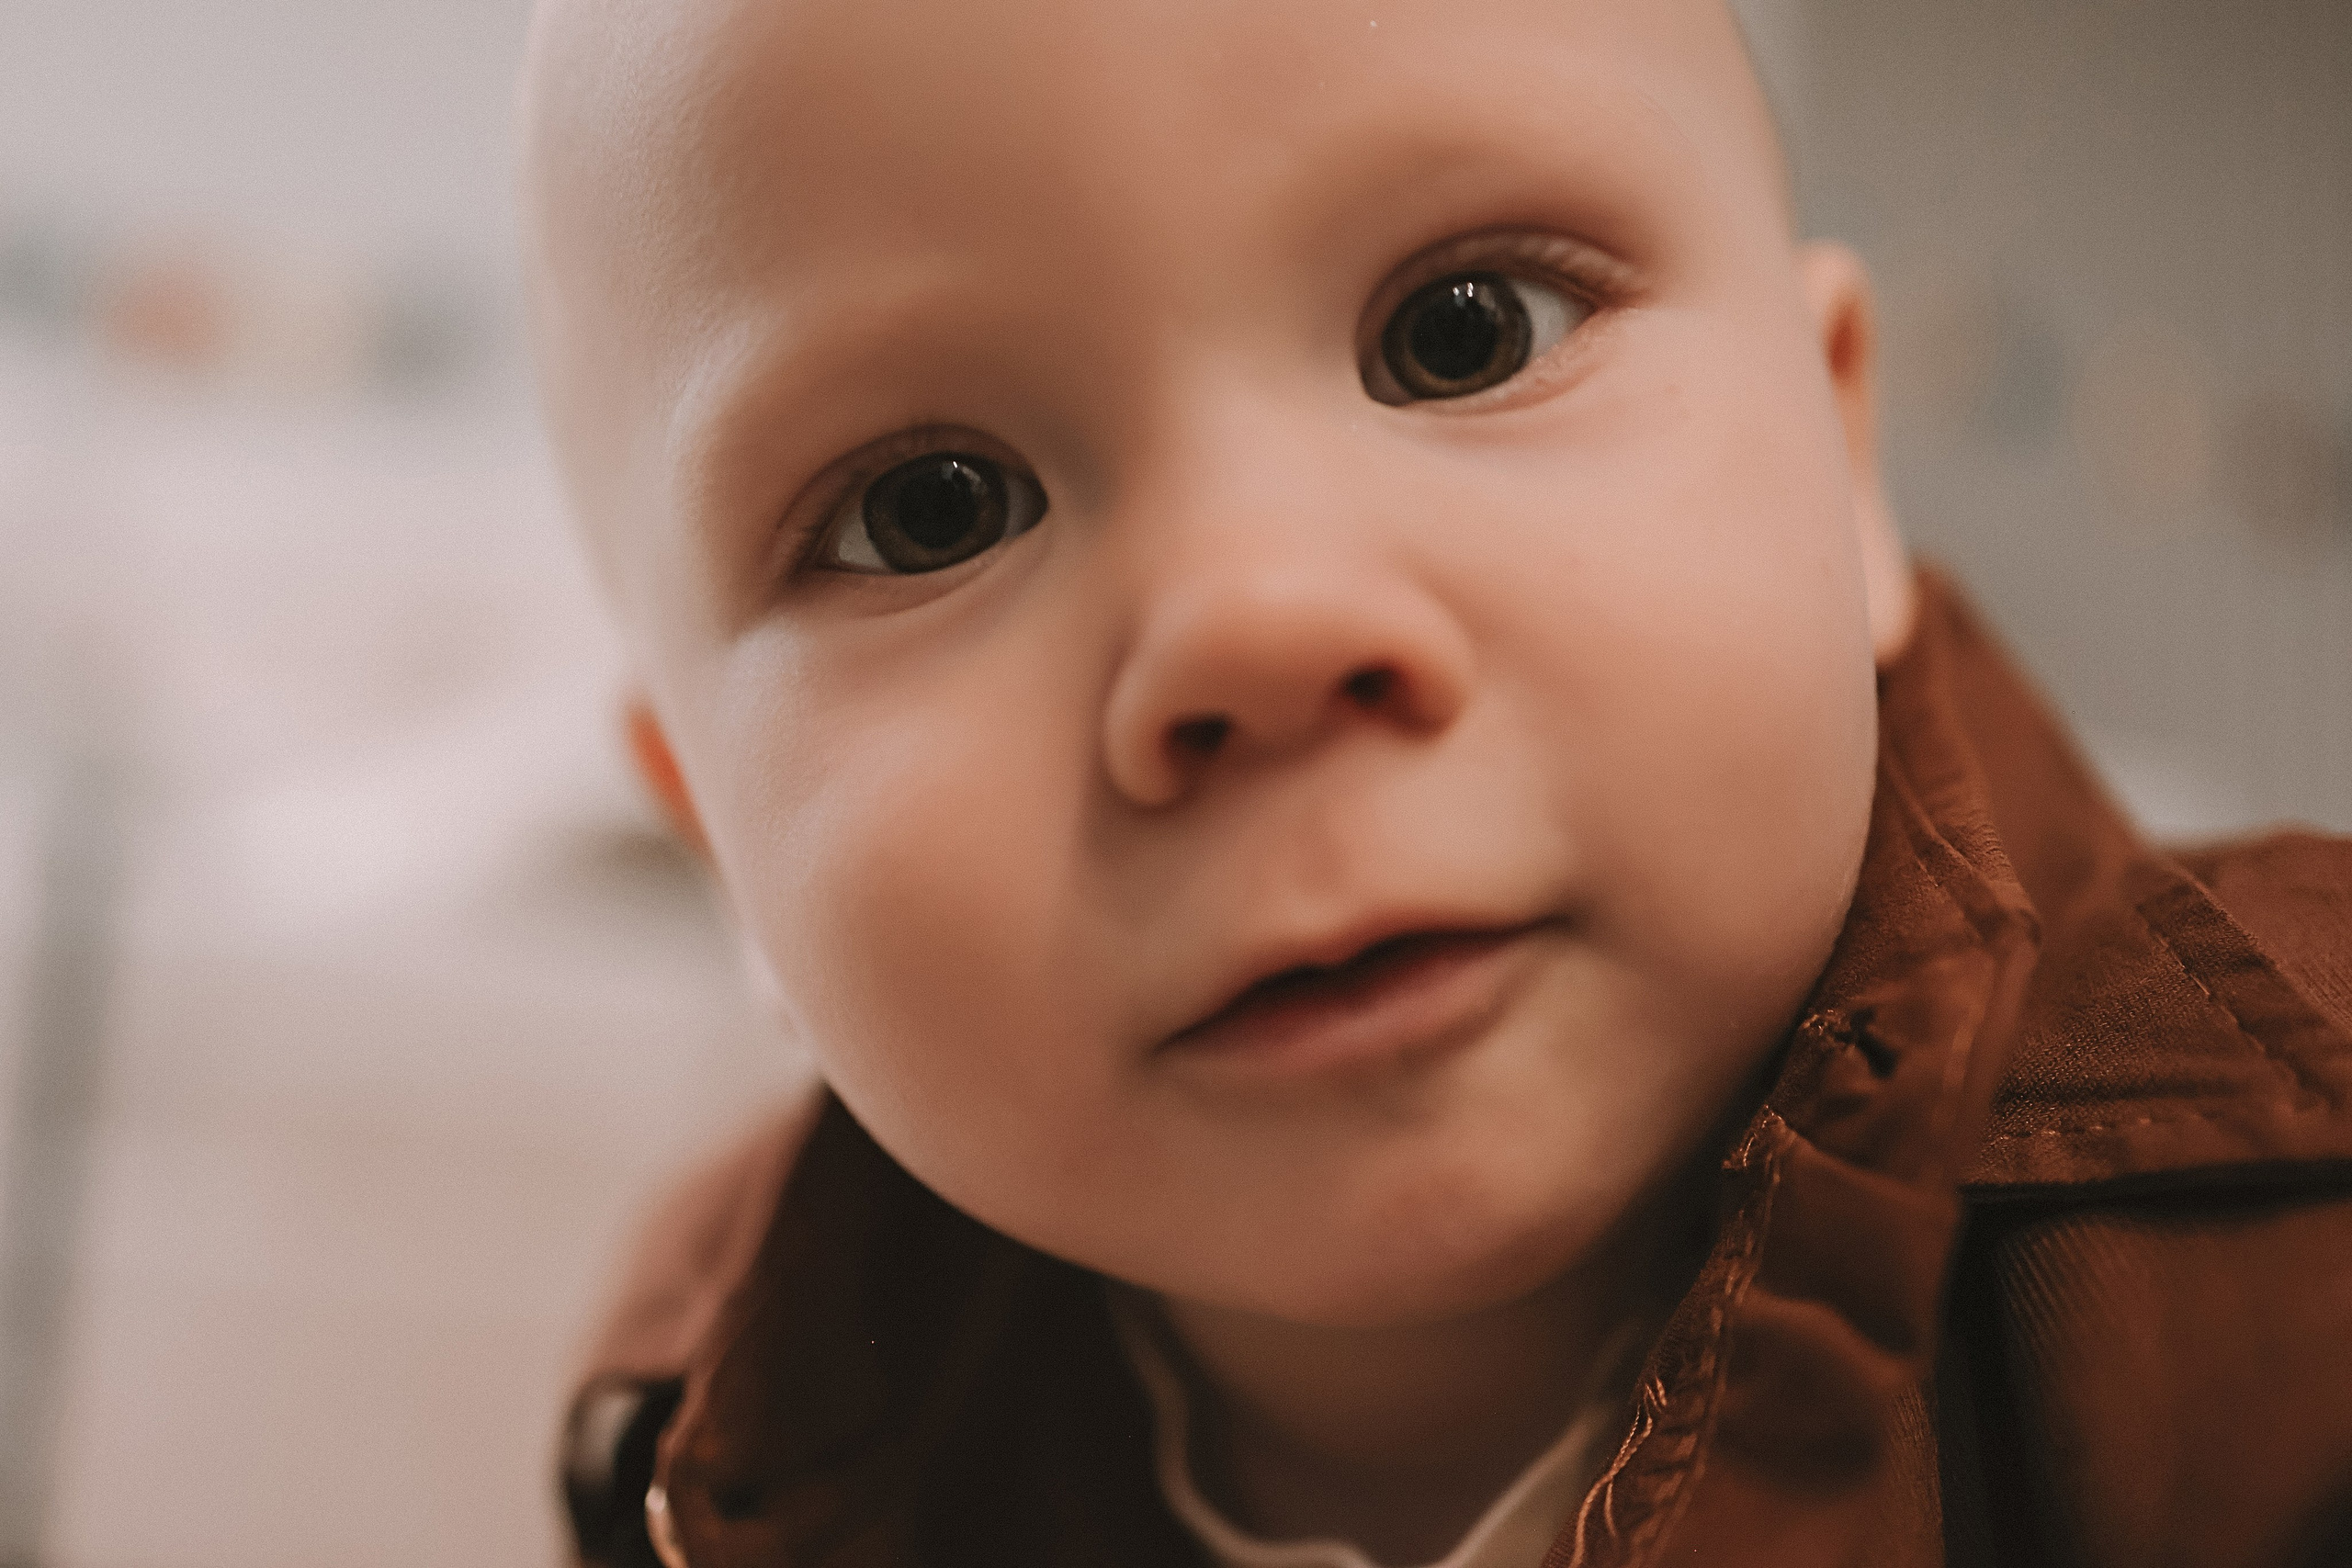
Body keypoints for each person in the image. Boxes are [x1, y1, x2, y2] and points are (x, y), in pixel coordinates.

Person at [517, 0, 2352, 1562]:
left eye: (1462, 333)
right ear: (716, 841)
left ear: (1843, 450)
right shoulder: (702, 1427)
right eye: (931, 512)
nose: (1258, 627)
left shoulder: (2287, 1272)